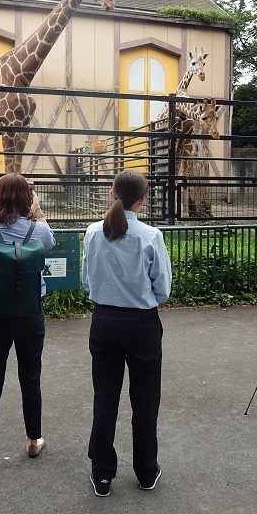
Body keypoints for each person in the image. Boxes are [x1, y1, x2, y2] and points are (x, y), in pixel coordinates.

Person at [82, 170, 172, 497]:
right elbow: (162, 289)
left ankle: (102, 473)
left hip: (104, 322)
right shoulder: (150, 236)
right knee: (145, 401)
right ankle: (147, 471)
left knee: (105, 399)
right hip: (142, 325)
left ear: (112, 194)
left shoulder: (93, 233)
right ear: (143, 200)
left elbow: (87, 283)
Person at [0, 174, 55, 469]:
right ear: (27, 198)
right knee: (31, 377)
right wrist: (37, 212)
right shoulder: (38, 230)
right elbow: (51, 242)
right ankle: (32, 441)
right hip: (31, 315)